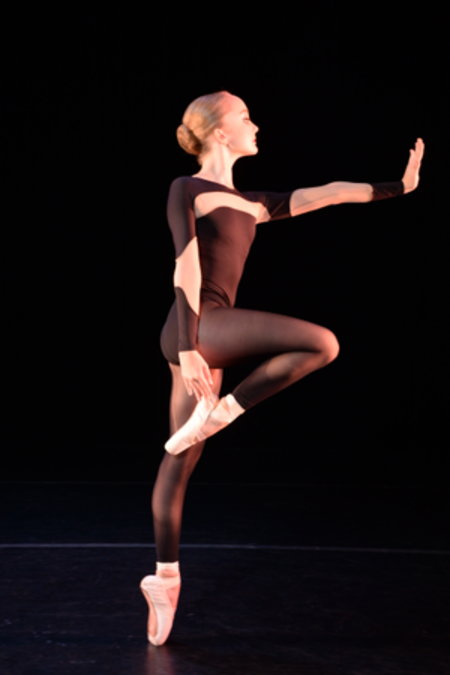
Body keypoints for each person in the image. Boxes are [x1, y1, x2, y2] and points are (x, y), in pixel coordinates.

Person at [139, 90, 425, 646]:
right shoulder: (187, 188)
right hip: (197, 327)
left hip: (205, 333)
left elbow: (327, 194)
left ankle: (164, 579)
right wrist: (190, 346)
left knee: (180, 455)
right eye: (244, 116)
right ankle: (225, 411)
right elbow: (185, 266)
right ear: (218, 132)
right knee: (321, 343)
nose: (255, 125)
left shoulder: (251, 203)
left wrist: (399, 187)